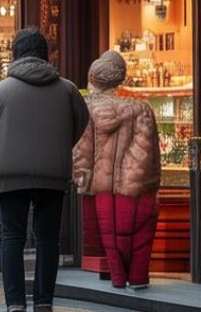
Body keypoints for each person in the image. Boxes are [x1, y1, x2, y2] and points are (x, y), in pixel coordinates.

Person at [0, 28, 90, 312]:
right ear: (45, 55)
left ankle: (15, 303)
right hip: (53, 174)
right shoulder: (68, 89)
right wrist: (59, 148)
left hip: (10, 173)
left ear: (15, 54)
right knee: (48, 239)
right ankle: (43, 302)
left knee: (12, 237)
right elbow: (81, 123)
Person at [73, 51, 161, 290]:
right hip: (136, 185)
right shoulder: (141, 109)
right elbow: (150, 150)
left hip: (102, 185)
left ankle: (118, 279)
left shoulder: (88, 110)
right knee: (140, 235)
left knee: (110, 239)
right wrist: (150, 181)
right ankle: (139, 278)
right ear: (120, 78)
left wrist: (83, 180)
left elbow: (83, 150)